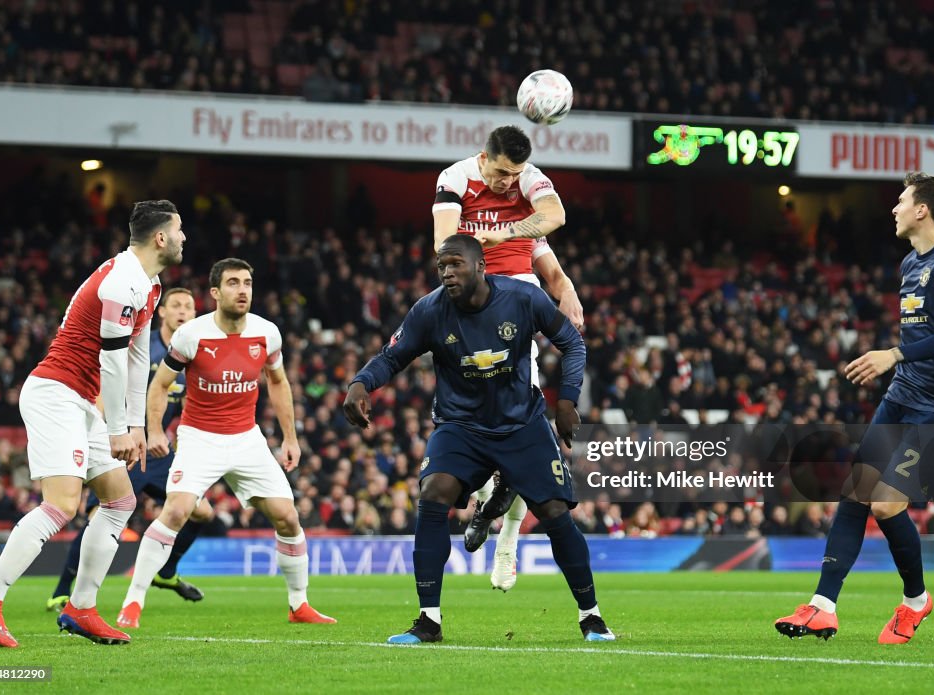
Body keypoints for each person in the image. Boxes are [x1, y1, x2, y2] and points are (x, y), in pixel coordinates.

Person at [343, 234, 615, 644]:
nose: (448, 273)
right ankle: (428, 621)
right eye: (442, 266)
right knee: (433, 493)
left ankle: (591, 617)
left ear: (481, 267)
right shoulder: (429, 310)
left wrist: (568, 401)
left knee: (556, 512)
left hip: (521, 424)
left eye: (456, 264)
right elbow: (391, 357)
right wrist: (362, 383)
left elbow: (572, 344)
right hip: (461, 426)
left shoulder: (522, 299)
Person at [0, 200, 185, 648]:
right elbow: (112, 359)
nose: (185, 239)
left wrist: (137, 425)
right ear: (160, 237)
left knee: (120, 501)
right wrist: (120, 426)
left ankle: (81, 608)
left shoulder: (151, 284)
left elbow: (140, 357)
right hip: (55, 394)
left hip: (83, 402)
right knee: (62, 504)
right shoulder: (122, 282)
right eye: (180, 230)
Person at [775, 172, 934, 644]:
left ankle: (915, 601)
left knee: (887, 504)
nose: (894, 208)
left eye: (902, 200)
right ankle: (822, 606)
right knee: (856, 492)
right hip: (903, 396)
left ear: (923, 210)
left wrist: (893, 355)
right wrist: (898, 363)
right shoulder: (910, 263)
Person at [115, 258, 335, 628]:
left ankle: (299, 605)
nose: (243, 289)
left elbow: (278, 383)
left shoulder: (267, 333)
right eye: (233, 283)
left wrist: (290, 438)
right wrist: (154, 430)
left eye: (247, 282)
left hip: (247, 438)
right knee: (176, 511)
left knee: (288, 517)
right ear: (215, 293)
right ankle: (133, 601)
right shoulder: (192, 335)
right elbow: (160, 384)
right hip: (200, 437)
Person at [432, 124, 584, 592]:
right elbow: (444, 243)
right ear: (484, 158)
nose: (506, 182)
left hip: (516, 316)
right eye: (500, 173)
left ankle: (509, 542)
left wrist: (567, 290)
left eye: (513, 174)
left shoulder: (526, 193)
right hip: (465, 317)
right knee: (470, 431)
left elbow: (553, 220)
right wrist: (488, 243)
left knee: (523, 432)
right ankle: (485, 504)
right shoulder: (455, 179)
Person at [46, 287, 213, 612]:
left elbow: (188, 406)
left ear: (195, 315)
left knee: (202, 511)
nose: (182, 311)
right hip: (123, 444)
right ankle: (63, 591)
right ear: (161, 312)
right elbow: (106, 386)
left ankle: (166, 572)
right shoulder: (143, 348)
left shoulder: (191, 354)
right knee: (99, 518)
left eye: (188, 307)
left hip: (159, 451)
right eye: (175, 305)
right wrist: (99, 434)